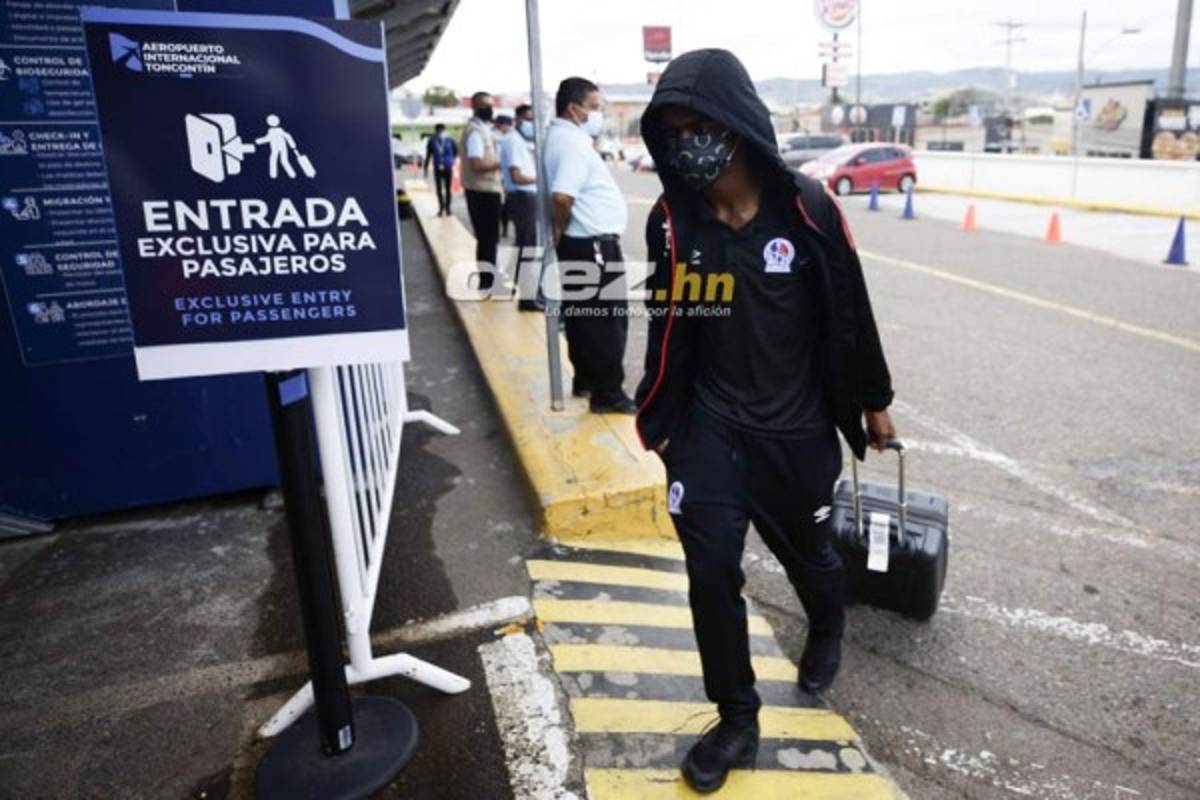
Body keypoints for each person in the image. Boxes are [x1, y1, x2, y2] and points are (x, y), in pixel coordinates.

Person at [634, 49, 897, 794]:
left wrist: (872, 400)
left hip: (799, 432)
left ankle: (829, 622)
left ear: (737, 123)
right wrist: (658, 419)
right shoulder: (672, 220)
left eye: (700, 125)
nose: (688, 142)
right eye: (673, 130)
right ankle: (737, 715)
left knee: (810, 556)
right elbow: (667, 323)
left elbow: (851, 308)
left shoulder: (808, 206)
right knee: (711, 570)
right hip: (710, 432)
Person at [542, 77, 634, 413]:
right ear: (574, 108)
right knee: (606, 321)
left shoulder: (562, 138)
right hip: (592, 244)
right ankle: (608, 393)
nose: (599, 114)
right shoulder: (573, 144)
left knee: (583, 316)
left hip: (582, 244)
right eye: (595, 108)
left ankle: (587, 380)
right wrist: (561, 228)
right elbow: (563, 196)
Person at [501, 104, 542, 312]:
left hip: (524, 197)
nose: (530, 123)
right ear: (517, 118)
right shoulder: (514, 141)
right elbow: (517, 176)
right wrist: (541, 179)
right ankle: (527, 299)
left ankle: (524, 290)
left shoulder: (519, 141)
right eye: (527, 119)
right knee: (528, 247)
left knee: (525, 245)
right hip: (523, 197)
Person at [460, 92, 503, 286]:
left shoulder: (482, 129)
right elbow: (476, 166)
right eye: (485, 105)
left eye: (490, 104)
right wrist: (501, 163)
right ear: (475, 107)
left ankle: (489, 279)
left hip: (484, 190)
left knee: (489, 239)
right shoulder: (475, 132)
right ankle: (488, 282)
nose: (489, 108)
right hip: (482, 191)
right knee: (487, 238)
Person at [424, 123, 457, 216]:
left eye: (442, 130)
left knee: (448, 188)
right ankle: (440, 208)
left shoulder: (450, 140)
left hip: (447, 167)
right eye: (439, 130)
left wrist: (451, 160)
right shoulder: (432, 140)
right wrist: (425, 168)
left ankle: (448, 208)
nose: (441, 132)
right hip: (437, 167)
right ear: (436, 131)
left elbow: (455, 151)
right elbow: (428, 154)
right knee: (438, 189)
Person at [493, 114, 514, 238]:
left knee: (505, 206)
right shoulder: (496, 138)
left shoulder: (509, 138)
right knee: (500, 205)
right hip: (499, 176)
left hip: (505, 177)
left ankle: (504, 229)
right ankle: (501, 228)